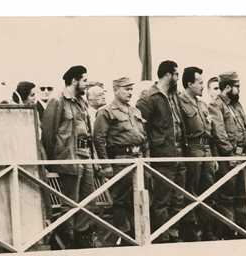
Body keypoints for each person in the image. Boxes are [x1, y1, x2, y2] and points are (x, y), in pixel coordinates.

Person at [41, 65, 98, 249]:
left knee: (89, 201)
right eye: (84, 80)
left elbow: (88, 132)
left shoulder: (82, 102)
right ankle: (66, 240)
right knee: (70, 202)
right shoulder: (57, 101)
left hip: (85, 157)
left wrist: (93, 157)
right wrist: (55, 161)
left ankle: (82, 238)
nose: (86, 84)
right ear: (74, 81)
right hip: (69, 158)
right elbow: (48, 135)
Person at [137, 61, 190, 241]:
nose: (177, 78)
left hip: (179, 156)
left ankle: (174, 234)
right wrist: (148, 158)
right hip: (162, 158)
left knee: (178, 199)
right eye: (176, 74)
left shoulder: (174, 96)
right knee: (162, 201)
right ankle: (162, 237)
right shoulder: (149, 98)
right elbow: (141, 130)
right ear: (168, 75)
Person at [92, 77, 146, 244]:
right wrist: (106, 165)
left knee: (137, 199)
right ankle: (125, 237)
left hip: (138, 159)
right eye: (125, 89)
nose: (129, 92)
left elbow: (144, 137)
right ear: (115, 90)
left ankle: (137, 235)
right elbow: (99, 139)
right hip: (120, 159)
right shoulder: (106, 111)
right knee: (121, 200)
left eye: (131, 89)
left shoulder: (135, 111)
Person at [207, 72, 246, 238]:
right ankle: (228, 232)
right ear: (227, 87)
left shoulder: (237, 104)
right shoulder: (215, 105)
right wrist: (230, 155)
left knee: (242, 195)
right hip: (229, 158)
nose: (239, 89)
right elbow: (219, 133)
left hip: (242, 156)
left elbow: (244, 127)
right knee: (227, 197)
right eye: (236, 86)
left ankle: (244, 231)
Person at [176, 67, 216, 240]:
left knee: (208, 189)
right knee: (191, 190)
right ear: (189, 84)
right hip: (192, 149)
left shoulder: (202, 104)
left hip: (206, 148)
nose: (202, 86)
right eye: (199, 83)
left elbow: (211, 132)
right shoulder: (179, 102)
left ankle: (207, 229)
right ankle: (191, 231)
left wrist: (213, 156)